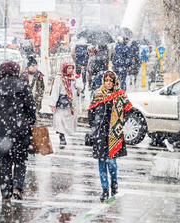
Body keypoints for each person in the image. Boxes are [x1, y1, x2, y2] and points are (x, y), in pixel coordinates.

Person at [0, 61, 36, 201]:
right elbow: (31, 108)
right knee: (20, 159)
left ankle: (5, 193)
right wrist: (30, 120)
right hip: (21, 128)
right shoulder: (23, 86)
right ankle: (17, 187)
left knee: (5, 161)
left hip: (2, 130)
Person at [88, 70, 132, 202]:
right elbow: (90, 113)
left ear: (114, 82)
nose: (108, 83)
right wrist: (94, 128)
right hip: (100, 134)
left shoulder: (121, 95)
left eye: (110, 81)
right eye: (106, 80)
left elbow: (129, 110)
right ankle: (104, 189)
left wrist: (120, 121)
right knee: (102, 162)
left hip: (114, 134)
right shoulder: (97, 94)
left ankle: (114, 183)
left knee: (112, 162)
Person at [49, 62, 82, 146]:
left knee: (68, 122)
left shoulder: (75, 77)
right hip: (61, 103)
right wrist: (53, 104)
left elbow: (80, 88)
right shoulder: (59, 78)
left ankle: (66, 133)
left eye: (72, 68)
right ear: (65, 68)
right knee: (60, 121)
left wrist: (75, 81)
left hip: (71, 104)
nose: (70, 70)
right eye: (69, 68)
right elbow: (55, 91)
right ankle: (61, 136)